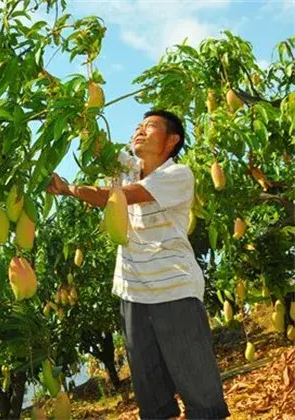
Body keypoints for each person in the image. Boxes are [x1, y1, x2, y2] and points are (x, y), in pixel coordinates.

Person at [46, 110, 230, 419]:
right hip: (132, 292)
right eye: (138, 125)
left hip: (174, 290)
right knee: (152, 397)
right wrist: (60, 97)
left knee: (199, 391)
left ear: (172, 140)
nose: (139, 131)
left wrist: (69, 189)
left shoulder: (178, 175)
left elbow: (114, 197)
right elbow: (96, 140)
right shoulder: (128, 169)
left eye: (150, 126)